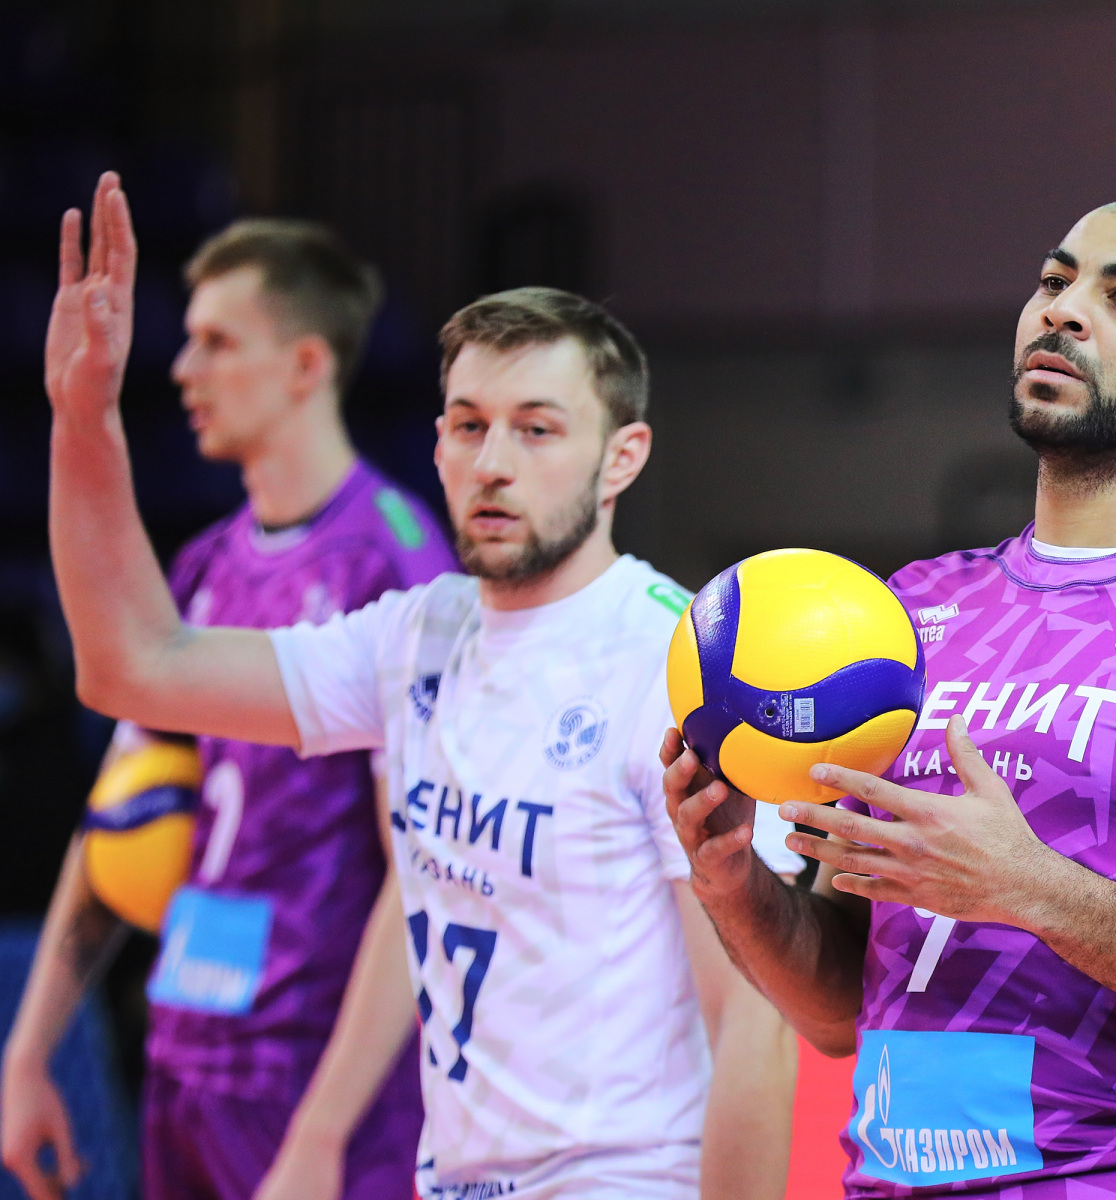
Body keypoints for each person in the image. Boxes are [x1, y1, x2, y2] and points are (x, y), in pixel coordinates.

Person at [35, 174, 799, 1199]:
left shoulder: (679, 667)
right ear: (436, 439)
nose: (493, 463)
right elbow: (134, 666)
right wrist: (85, 417)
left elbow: (753, 1018)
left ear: (622, 459)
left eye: (536, 429)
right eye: (468, 425)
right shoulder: (416, 633)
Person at [664, 195, 1116, 1198]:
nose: (1063, 310)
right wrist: (733, 885)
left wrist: (1034, 889)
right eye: (1054, 281)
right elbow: (840, 1008)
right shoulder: (907, 610)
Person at [3, 215, 454, 1200]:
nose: (183, 370)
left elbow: (424, 875)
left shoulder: (396, 562)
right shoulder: (206, 564)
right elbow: (117, 814)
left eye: (216, 341)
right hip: (185, 1051)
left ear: (305, 364)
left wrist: (325, 1131)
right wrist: (27, 1050)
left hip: (317, 1076)